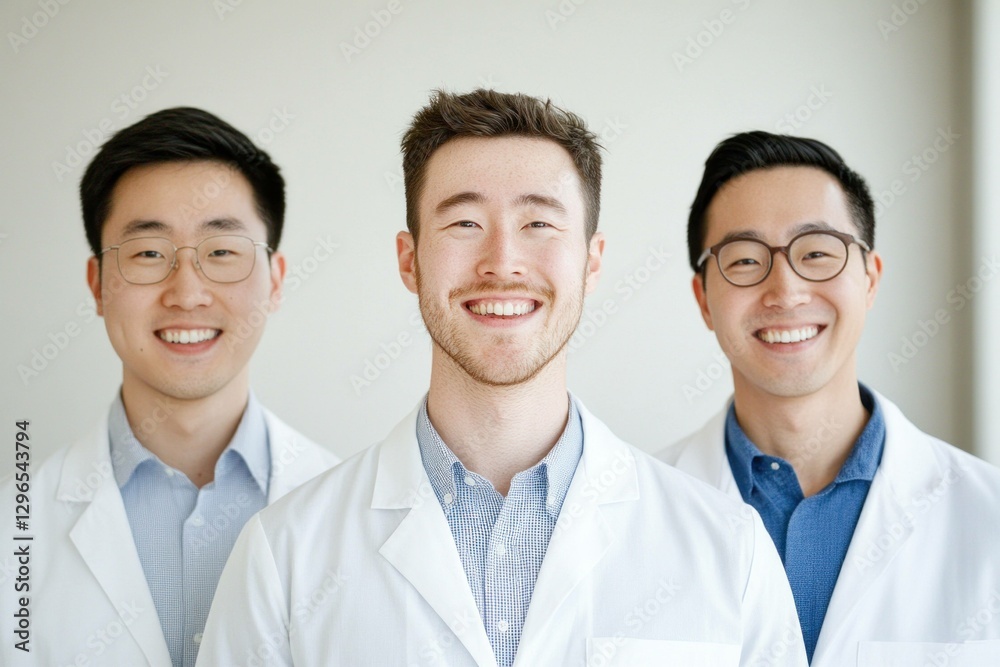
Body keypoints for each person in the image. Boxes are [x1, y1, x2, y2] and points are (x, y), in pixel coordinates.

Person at [197, 90, 807, 667]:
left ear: (591, 263)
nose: (502, 262)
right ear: (410, 260)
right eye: (464, 224)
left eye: (540, 224)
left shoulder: (729, 548)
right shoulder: (284, 555)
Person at [0, 107, 339, 667]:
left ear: (275, 281)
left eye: (221, 253)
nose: (187, 293)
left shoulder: (351, 511)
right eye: (149, 254)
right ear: (98, 285)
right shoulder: (17, 532)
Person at [659, 131, 1000, 666]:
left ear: (869, 279)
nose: (786, 291)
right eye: (745, 260)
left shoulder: (988, 515)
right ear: (704, 299)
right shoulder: (629, 516)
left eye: (816, 253)